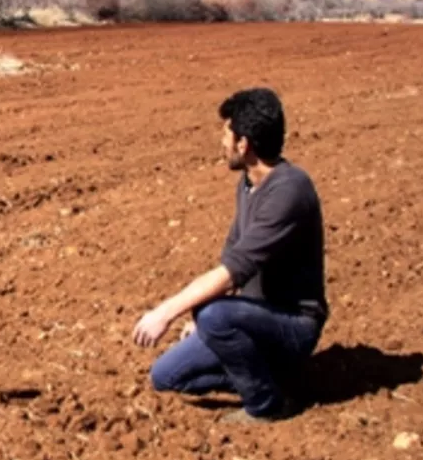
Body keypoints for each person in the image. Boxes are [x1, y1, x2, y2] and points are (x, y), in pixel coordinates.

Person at [131, 87, 328, 422]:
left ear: (244, 144)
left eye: (226, 134)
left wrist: (167, 313)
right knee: (166, 377)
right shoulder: (249, 185)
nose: (221, 143)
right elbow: (233, 255)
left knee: (212, 315)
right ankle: (266, 377)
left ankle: (266, 404)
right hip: (251, 317)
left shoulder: (289, 191)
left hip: (291, 324)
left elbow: (233, 271)